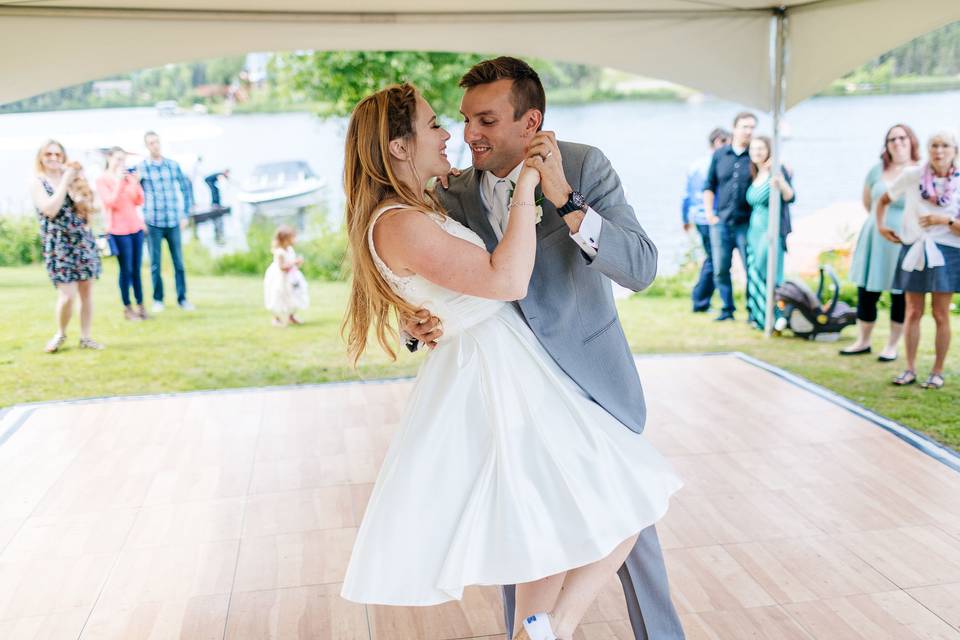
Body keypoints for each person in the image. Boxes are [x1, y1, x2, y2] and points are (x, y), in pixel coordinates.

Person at [338, 77, 682, 640]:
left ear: (531, 123)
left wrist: (565, 201)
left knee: (628, 513)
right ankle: (539, 630)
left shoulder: (583, 164)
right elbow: (443, 276)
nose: (464, 132)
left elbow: (640, 267)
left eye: (485, 120)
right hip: (506, 383)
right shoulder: (445, 192)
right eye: (454, 119)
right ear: (399, 146)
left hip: (589, 378)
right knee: (532, 535)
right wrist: (413, 319)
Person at [882, 130, 960, 389]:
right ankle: (910, 368)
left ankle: (937, 371)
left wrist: (945, 221)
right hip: (915, 246)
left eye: (945, 146)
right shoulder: (913, 175)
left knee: (940, 314)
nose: (939, 151)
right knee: (913, 311)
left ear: (955, 151)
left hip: (948, 250)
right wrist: (882, 227)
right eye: (934, 145)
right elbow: (883, 200)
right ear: (928, 149)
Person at [843, 124, 920, 360]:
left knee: (899, 293)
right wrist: (880, 222)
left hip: (902, 239)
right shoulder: (876, 171)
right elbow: (868, 202)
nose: (897, 142)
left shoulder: (918, 171)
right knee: (866, 291)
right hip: (874, 236)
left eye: (902, 137)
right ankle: (863, 340)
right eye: (892, 139)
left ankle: (892, 345)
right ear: (886, 145)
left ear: (911, 140)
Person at [30, 140, 103, 353]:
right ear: (41, 157)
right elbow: (50, 210)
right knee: (68, 295)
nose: (53, 158)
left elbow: (91, 206)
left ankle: (86, 337)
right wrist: (65, 182)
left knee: (86, 291)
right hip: (59, 244)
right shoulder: (38, 182)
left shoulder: (74, 178)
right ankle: (61, 333)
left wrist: (83, 192)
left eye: (57, 154)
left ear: (63, 156)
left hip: (82, 240)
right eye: (48, 154)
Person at [703, 111, 757, 321]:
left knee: (750, 269)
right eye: (745, 127)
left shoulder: (756, 154)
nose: (749, 131)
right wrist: (709, 214)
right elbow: (710, 186)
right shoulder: (720, 155)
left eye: (752, 127)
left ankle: (753, 310)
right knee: (720, 268)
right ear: (735, 128)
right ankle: (727, 309)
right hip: (721, 222)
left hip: (747, 224)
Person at [138, 130, 195, 312]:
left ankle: (182, 298)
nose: (155, 145)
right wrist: (141, 218)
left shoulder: (172, 165)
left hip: (173, 221)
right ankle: (158, 299)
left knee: (178, 262)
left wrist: (185, 214)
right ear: (147, 146)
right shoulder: (142, 168)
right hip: (153, 222)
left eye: (157, 142)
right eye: (151, 143)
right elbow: (135, 195)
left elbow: (186, 188)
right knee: (155, 263)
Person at [744, 135, 795, 329]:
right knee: (755, 274)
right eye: (753, 149)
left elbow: (790, 196)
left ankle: (777, 315)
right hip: (753, 232)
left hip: (770, 232)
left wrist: (781, 184)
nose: (756, 152)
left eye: (761, 149)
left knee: (770, 274)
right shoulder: (756, 173)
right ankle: (760, 317)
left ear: (769, 151)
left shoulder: (777, 171)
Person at [96, 146, 147, 321]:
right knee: (126, 270)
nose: (121, 163)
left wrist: (136, 182)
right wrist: (119, 182)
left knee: (137, 270)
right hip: (118, 230)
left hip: (136, 228)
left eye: (123, 159)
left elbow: (139, 200)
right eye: (118, 159)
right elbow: (110, 203)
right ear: (109, 158)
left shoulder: (128, 178)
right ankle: (127, 307)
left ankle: (141, 306)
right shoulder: (103, 180)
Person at [683, 127, 730, 312]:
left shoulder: (694, 164)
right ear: (718, 142)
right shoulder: (716, 163)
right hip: (712, 217)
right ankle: (700, 300)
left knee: (712, 258)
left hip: (698, 217)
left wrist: (685, 218)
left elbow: (686, 195)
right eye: (727, 142)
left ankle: (702, 300)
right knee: (714, 260)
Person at [263, 224, 309, 326]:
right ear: (285, 239)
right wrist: (294, 262)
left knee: (295, 294)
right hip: (280, 278)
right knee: (279, 296)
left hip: (291, 277)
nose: (295, 240)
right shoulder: (279, 252)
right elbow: (282, 267)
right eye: (293, 238)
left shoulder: (290, 249)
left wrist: (297, 264)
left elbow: (291, 263)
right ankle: (276, 318)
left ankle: (291, 316)